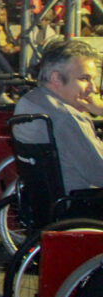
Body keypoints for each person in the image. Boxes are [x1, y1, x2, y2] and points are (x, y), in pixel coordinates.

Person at [14, 38, 103, 192]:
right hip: (83, 202)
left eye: (93, 80)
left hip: (45, 201)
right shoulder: (67, 118)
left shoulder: (30, 101)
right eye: (84, 79)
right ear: (56, 78)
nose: (93, 89)